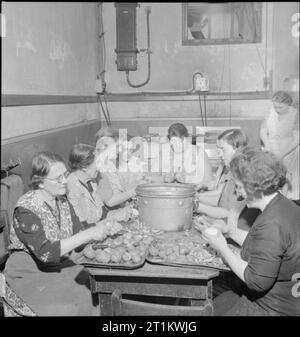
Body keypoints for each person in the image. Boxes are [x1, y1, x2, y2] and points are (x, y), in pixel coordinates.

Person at [4, 152, 121, 316]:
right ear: (40, 182)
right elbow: (46, 253)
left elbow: (78, 233)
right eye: (57, 178)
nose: (65, 181)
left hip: (57, 266)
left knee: (97, 288)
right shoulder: (26, 209)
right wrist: (90, 234)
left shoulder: (62, 200)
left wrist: (104, 228)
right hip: (28, 272)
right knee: (74, 304)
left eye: (65, 175)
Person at [196, 147, 300, 316]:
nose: (238, 195)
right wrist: (229, 231)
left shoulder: (273, 223)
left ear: (255, 187)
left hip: (273, 309)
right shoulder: (281, 205)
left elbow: (256, 281)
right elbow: (266, 246)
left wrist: (222, 247)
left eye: (239, 187)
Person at [194, 128, 260, 229]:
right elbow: (221, 201)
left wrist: (196, 205)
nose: (219, 154)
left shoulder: (242, 175)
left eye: (223, 149)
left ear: (237, 148)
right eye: (218, 149)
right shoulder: (232, 170)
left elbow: (228, 213)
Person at [67, 143, 132, 224]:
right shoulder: (72, 188)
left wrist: (120, 212)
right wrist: (114, 217)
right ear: (84, 167)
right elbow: (83, 227)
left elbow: (102, 214)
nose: (101, 167)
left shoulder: (91, 182)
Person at [260, 91, 299, 204]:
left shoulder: (295, 114)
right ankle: (274, 201)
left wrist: (282, 154)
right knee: (272, 176)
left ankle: (285, 202)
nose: (277, 109)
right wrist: (267, 145)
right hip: (272, 147)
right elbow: (262, 131)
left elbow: (297, 139)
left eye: (280, 107)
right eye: (275, 106)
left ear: (288, 105)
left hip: (289, 150)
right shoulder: (270, 112)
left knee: (287, 177)